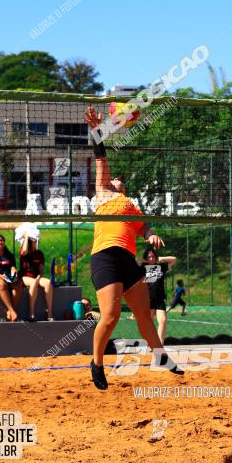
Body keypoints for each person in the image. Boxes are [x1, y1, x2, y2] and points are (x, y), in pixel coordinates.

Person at [83, 105, 183, 390]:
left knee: (144, 315)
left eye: (120, 181)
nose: (118, 179)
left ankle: (160, 355)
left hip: (127, 260)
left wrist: (152, 235)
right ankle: (97, 363)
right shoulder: (103, 194)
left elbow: (145, 228)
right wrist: (96, 128)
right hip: (105, 258)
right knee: (111, 316)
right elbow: (100, 157)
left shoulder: (130, 206)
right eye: (115, 179)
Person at [17, 225, 54, 321]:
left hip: (36, 277)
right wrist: (25, 236)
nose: (36, 242)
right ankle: (31, 312)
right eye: (33, 240)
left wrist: (39, 277)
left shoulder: (39, 254)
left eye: (36, 240)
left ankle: (49, 313)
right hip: (24, 277)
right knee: (33, 282)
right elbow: (24, 251)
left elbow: (41, 269)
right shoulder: (23, 250)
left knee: (48, 282)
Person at [142, 247, 177, 342]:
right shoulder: (143, 268)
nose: (151, 258)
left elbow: (173, 259)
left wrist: (160, 258)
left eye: (153, 256)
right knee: (149, 323)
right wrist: (144, 260)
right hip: (148, 299)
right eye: (149, 257)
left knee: (163, 320)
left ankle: (160, 344)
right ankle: (151, 342)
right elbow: (135, 262)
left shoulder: (160, 267)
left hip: (159, 299)